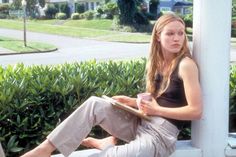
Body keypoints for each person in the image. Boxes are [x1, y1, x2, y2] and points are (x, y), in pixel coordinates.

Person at [20, 12, 202, 157]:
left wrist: (156, 111)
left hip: (161, 135)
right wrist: (131, 101)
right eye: (170, 33)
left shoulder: (186, 65)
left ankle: (104, 144)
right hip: (143, 122)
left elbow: (196, 111)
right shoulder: (158, 63)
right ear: (157, 37)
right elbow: (163, 98)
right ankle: (44, 149)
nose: (177, 38)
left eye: (180, 33)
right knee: (94, 104)